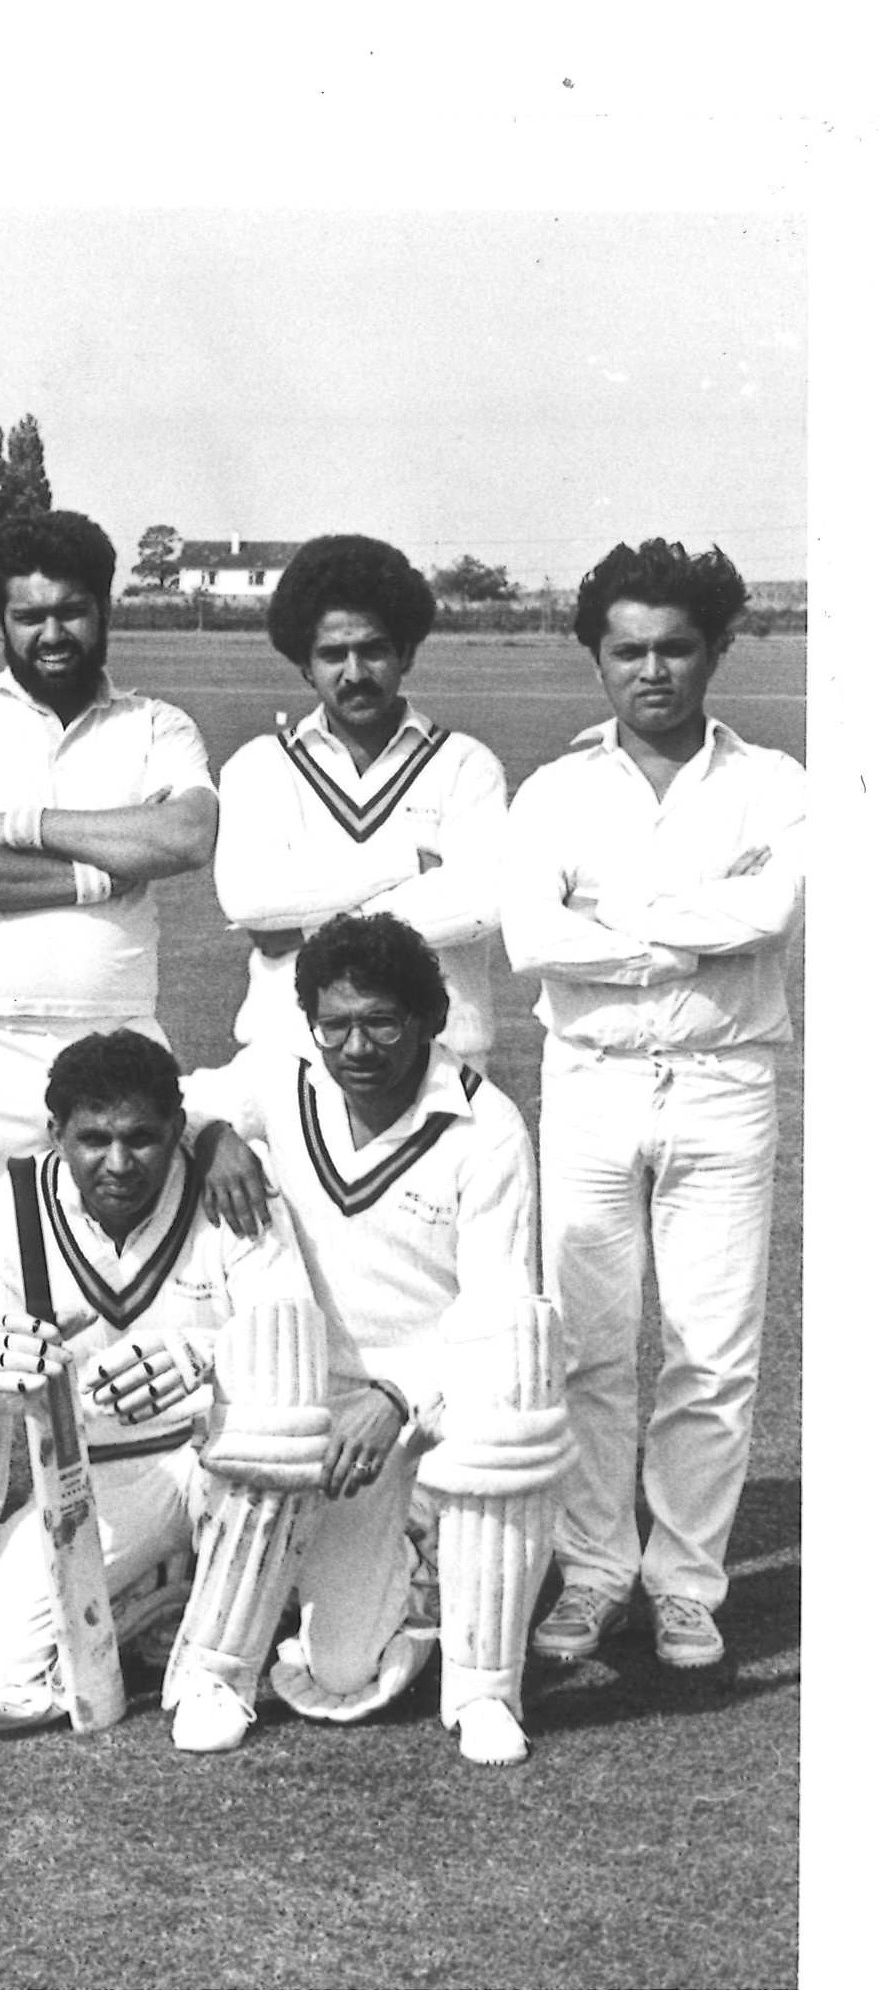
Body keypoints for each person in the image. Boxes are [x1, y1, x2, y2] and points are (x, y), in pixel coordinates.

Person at [0, 511, 219, 1633]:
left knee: (142, 1280)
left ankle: (140, 1514)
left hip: (118, 1038)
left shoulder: (160, 724)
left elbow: (180, 841)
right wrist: (91, 874)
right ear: (0, 617)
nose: (51, 630)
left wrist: (19, 824)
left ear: (104, 602)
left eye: (70, 608)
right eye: (27, 613)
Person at [502, 539, 805, 1673]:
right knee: (587, 1349)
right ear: (595, 657)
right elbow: (534, 937)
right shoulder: (555, 789)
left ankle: (684, 1582)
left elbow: (768, 917)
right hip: (590, 1083)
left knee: (711, 1353)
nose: (652, 671)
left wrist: (611, 926)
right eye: (626, 649)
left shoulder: (775, 783)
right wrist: (682, 930)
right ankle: (591, 1572)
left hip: (726, 1089)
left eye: (676, 647)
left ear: (716, 648)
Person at [0, 1030, 329, 1754]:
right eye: (92, 1140)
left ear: (179, 1129)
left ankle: (213, 1653)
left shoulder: (231, 1187)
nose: (117, 1164)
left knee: (342, 1664)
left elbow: (294, 1337)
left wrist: (207, 1356)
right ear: (55, 1133)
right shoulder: (16, 1202)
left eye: (141, 1139)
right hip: (104, 1476)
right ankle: (154, 1594)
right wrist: (1, 1369)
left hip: (231, 1462)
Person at [184, 913, 556, 1765]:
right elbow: (185, 1095)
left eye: (380, 1022)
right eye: (335, 1023)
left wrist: (397, 1399)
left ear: (427, 1019)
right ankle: (417, 1570)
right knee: (343, 1672)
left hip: (440, 1397)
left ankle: (482, 1689)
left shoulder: (486, 1127)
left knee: (509, 1407)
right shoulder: (283, 1075)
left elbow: (495, 1312)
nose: (356, 1046)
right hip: (314, 1393)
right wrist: (211, 1138)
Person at [212, 535, 507, 1062]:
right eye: (332, 654)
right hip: (292, 1054)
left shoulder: (465, 763)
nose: (354, 673)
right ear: (305, 663)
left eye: (372, 650)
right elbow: (248, 898)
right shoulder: (260, 765)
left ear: (407, 653)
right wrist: (406, 863)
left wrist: (303, 926)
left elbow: (480, 902)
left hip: (441, 1057)